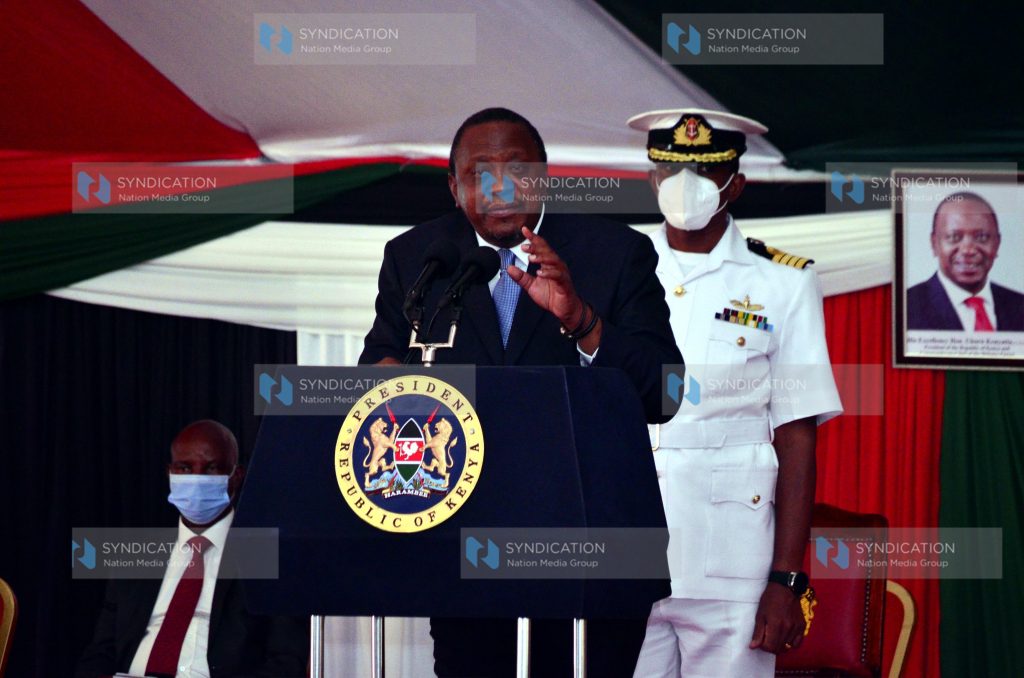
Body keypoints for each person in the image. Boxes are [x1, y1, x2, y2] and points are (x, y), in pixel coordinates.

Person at [360, 107, 683, 677]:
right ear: (455, 187)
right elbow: (378, 369)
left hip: (593, 551)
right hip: (463, 548)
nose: (502, 185)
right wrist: (389, 381)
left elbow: (666, 391)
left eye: (518, 169)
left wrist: (582, 319)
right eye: (481, 172)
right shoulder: (418, 257)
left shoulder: (614, 252)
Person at [625, 109, 843, 678]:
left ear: (735, 184)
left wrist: (786, 579)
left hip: (732, 563)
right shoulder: (618, 268)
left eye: (703, 170)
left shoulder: (783, 282)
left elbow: (796, 433)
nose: (684, 186)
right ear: (651, 178)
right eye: (670, 171)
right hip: (625, 548)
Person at [75, 420, 307, 678]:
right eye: (185, 468)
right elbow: (100, 652)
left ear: (236, 476)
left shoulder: (268, 556)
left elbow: (286, 661)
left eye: (211, 469)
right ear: (170, 473)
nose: (196, 480)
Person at [906, 192, 1024, 331]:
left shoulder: (1019, 305)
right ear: (934, 243)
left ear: (997, 243)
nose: (968, 249)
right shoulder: (908, 306)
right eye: (953, 237)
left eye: (982, 237)